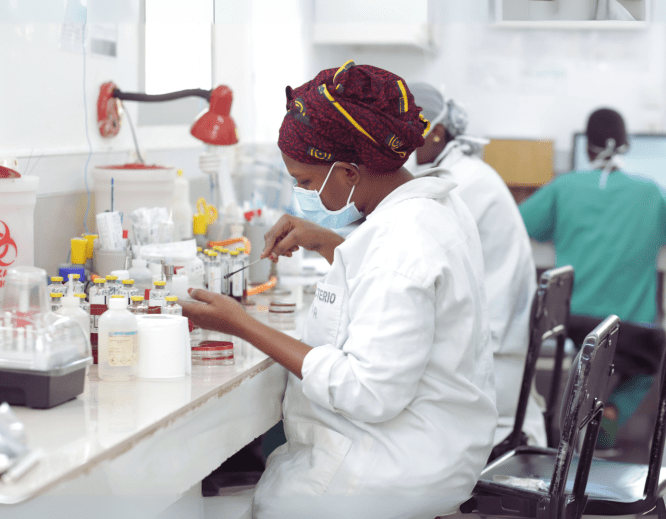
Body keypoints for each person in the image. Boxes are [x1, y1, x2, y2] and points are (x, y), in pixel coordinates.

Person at [182, 60, 497, 518]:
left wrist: (241, 325)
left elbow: (367, 392)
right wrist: (329, 242)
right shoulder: (434, 206)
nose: (301, 193)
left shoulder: (401, 244)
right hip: (429, 446)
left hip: (385, 469)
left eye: (306, 182)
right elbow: (387, 288)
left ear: (349, 173)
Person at [409, 82, 546, 449]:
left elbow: (402, 256)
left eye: (404, 132)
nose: (394, 145)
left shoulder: (457, 184)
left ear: (436, 131)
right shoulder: (462, 173)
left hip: (488, 369)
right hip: (495, 352)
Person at [519, 108, 666, 452]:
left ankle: (568, 423)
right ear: (626, 146)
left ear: (586, 151)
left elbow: (522, 224)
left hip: (571, 321)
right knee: (651, 359)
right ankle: (609, 415)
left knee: (582, 355)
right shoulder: (651, 192)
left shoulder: (565, 186)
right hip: (629, 327)